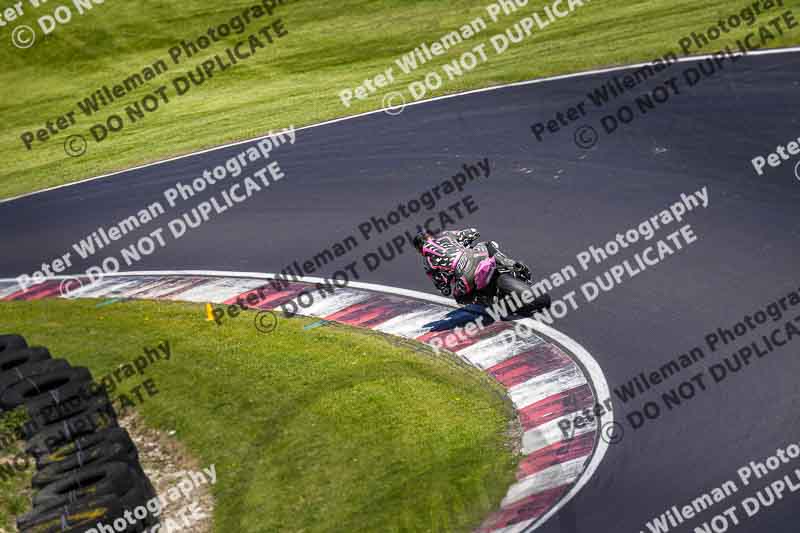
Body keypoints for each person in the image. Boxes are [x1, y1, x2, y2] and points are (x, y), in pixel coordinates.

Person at [413, 228, 537, 308]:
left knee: (459, 298)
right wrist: (466, 241)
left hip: (465, 275)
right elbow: (474, 232)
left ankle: (489, 302)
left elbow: (444, 289)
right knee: (486, 244)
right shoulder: (447, 234)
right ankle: (511, 264)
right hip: (477, 256)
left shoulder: (427, 261)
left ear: (419, 248)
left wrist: (447, 282)